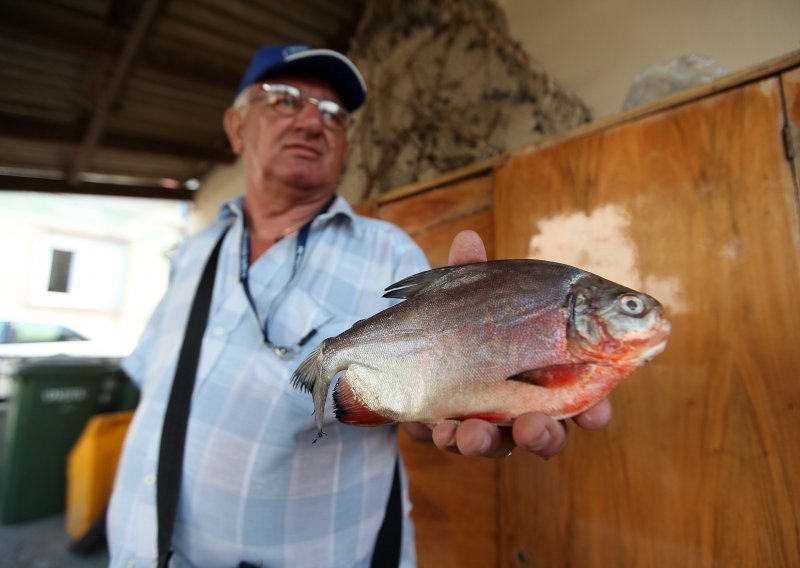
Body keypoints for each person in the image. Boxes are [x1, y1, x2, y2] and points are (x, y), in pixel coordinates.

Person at [106, 44, 611, 567]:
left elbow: (415, 404)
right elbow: (157, 392)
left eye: (332, 115)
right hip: (143, 548)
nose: (310, 121)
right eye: (284, 100)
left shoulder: (388, 250)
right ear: (237, 127)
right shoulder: (193, 252)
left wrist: (473, 391)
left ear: (345, 146)